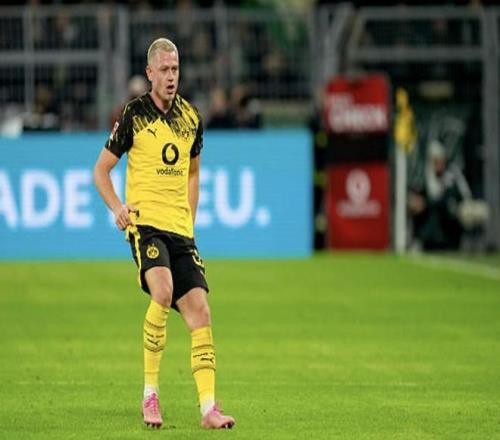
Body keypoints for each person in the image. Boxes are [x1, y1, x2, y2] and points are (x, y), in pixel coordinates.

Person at [93, 37, 235, 430]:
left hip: (179, 230)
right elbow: (101, 170)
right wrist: (118, 208)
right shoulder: (133, 115)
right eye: (165, 70)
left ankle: (209, 408)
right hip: (146, 225)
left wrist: (189, 221)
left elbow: (193, 173)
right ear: (150, 72)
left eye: (176, 69)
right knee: (163, 290)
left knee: (201, 311)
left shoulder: (191, 118)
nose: (171, 77)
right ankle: (150, 395)